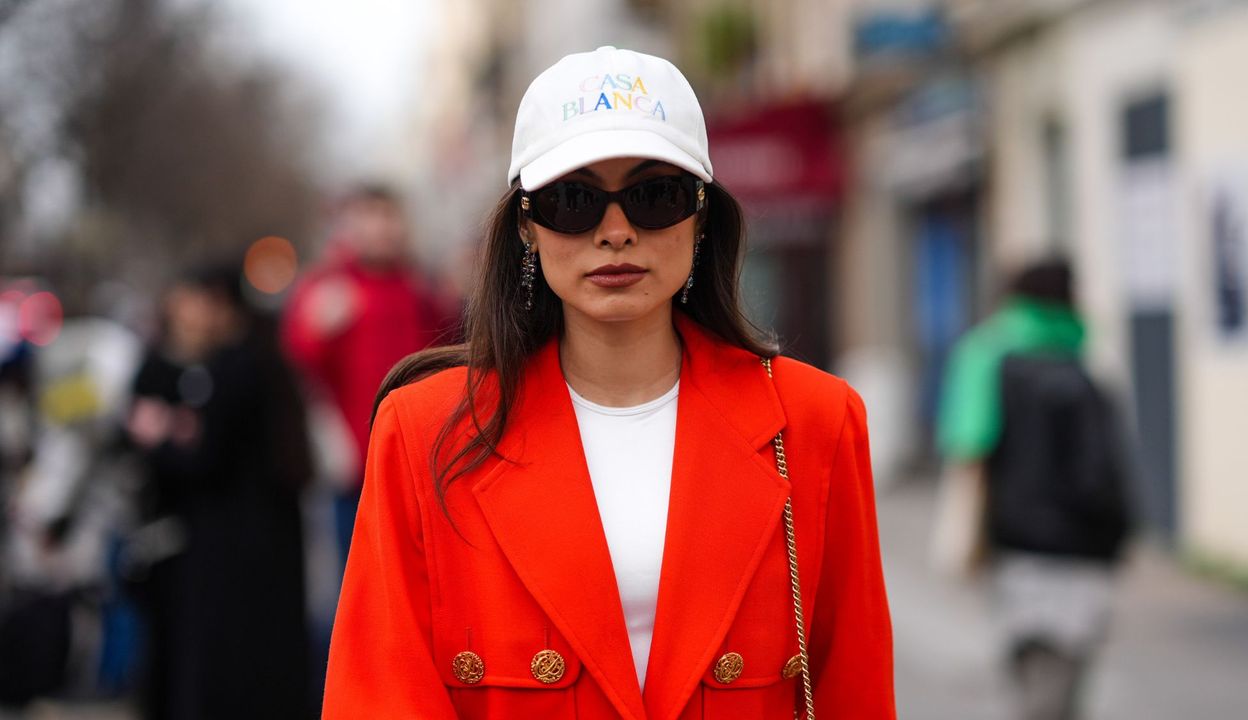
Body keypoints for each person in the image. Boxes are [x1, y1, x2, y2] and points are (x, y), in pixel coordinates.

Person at [322, 47, 895, 719]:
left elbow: (855, 688)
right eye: (574, 200)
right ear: (527, 226)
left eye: (655, 196)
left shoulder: (815, 419)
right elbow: (380, 696)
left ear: (702, 215)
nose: (616, 232)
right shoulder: (426, 431)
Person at [935, 259, 1131, 720]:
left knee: (1028, 669)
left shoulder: (983, 355)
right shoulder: (1079, 375)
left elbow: (966, 447)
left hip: (1011, 545)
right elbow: (1099, 477)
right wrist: (1116, 536)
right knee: (1061, 684)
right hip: (1075, 551)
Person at [128, 267, 312, 720]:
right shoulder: (261, 358)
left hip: (234, 537)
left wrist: (162, 438)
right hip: (264, 534)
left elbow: (207, 458)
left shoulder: (234, 367)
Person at [281, 184, 459, 565]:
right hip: (355, 464)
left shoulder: (422, 289)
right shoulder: (328, 288)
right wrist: (318, 330)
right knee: (358, 575)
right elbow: (299, 362)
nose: (380, 229)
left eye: (388, 217)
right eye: (369, 218)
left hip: (421, 457)